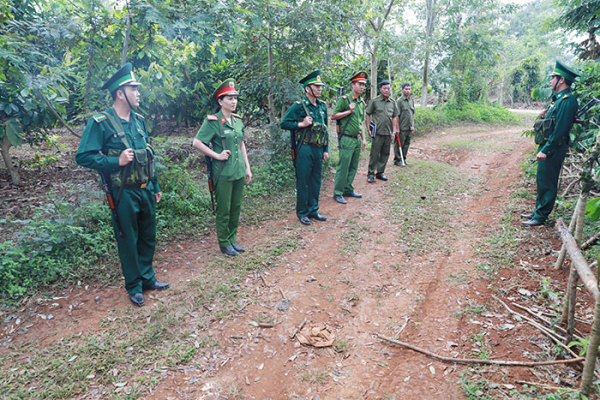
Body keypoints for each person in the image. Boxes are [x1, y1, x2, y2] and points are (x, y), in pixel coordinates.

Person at [76, 63, 169, 307]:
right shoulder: (101, 123)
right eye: (134, 89)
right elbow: (83, 156)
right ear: (120, 93)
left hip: (145, 189)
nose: (139, 94)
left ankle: (148, 279)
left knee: (148, 236)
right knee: (128, 238)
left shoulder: (139, 121)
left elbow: (148, 155)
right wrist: (114, 160)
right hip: (122, 192)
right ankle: (134, 286)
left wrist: (155, 184)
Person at [193, 79, 252, 254]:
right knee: (224, 209)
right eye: (229, 98)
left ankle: (232, 239)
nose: (234, 102)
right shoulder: (213, 121)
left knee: (236, 207)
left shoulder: (238, 120)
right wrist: (216, 155)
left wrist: (247, 168)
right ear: (220, 101)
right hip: (223, 173)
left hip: (239, 171)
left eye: (235, 98)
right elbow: (197, 142)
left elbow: (241, 145)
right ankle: (224, 242)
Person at [521, 61, 579, 227]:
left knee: (548, 181)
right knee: (542, 179)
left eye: (553, 78)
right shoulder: (559, 100)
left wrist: (546, 150)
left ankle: (541, 217)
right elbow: (553, 122)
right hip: (548, 146)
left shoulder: (568, 100)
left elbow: (560, 130)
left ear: (561, 80)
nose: (550, 81)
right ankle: (538, 211)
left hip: (554, 148)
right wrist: (544, 115)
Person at [280, 70, 329, 226]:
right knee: (303, 180)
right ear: (308, 88)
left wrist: (326, 149)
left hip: (318, 148)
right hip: (304, 148)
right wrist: (301, 124)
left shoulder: (322, 107)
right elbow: (284, 123)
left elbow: (325, 129)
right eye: (317, 86)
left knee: (316, 180)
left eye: (321, 86)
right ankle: (302, 212)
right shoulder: (299, 106)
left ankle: (313, 210)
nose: (320, 89)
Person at [331, 71, 367, 203]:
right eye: (359, 84)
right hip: (346, 138)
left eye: (363, 85)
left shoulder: (361, 102)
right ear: (353, 85)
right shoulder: (345, 100)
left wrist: (363, 139)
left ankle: (348, 189)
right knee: (344, 166)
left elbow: (361, 122)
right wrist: (348, 111)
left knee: (353, 165)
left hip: (357, 139)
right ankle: (338, 192)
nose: (362, 87)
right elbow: (333, 116)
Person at [365, 80, 399, 183]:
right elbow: (367, 114)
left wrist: (394, 131)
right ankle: (370, 173)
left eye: (388, 88)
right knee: (374, 153)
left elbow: (394, 117)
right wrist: (368, 128)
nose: (386, 90)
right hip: (377, 132)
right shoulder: (374, 101)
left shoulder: (393, 102)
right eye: (384, 88)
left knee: (385, 153)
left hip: (388, 133)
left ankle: (380, 173)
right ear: (380, 89)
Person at [395, 83, 415, 166]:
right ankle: (397, 160)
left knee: (407, 144)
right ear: (402, 90)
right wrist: (397, 128)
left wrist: (413, 125)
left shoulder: (411, 100)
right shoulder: (399, 101)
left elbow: (412, 114)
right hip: (402, 127)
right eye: (406, 89)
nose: (408, 90)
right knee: (399, 144)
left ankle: (404, 158)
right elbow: (396, 115)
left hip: (409, 127)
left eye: (409, 89)